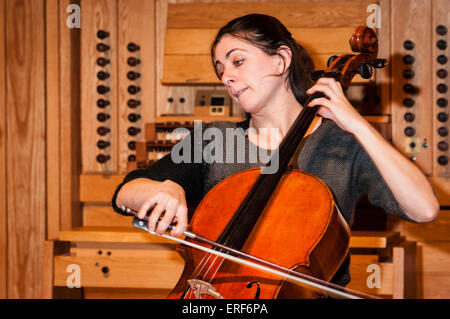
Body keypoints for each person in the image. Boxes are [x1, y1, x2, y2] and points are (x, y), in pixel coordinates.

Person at [112, 14, 439, 287]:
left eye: (237, 61)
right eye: (220, 70)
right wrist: (165, 188)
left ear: (282, 60)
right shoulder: (213, 140)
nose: (227, 77)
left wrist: (357, 125)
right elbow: (125, 193)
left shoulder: (342, 145)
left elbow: (424, 209)